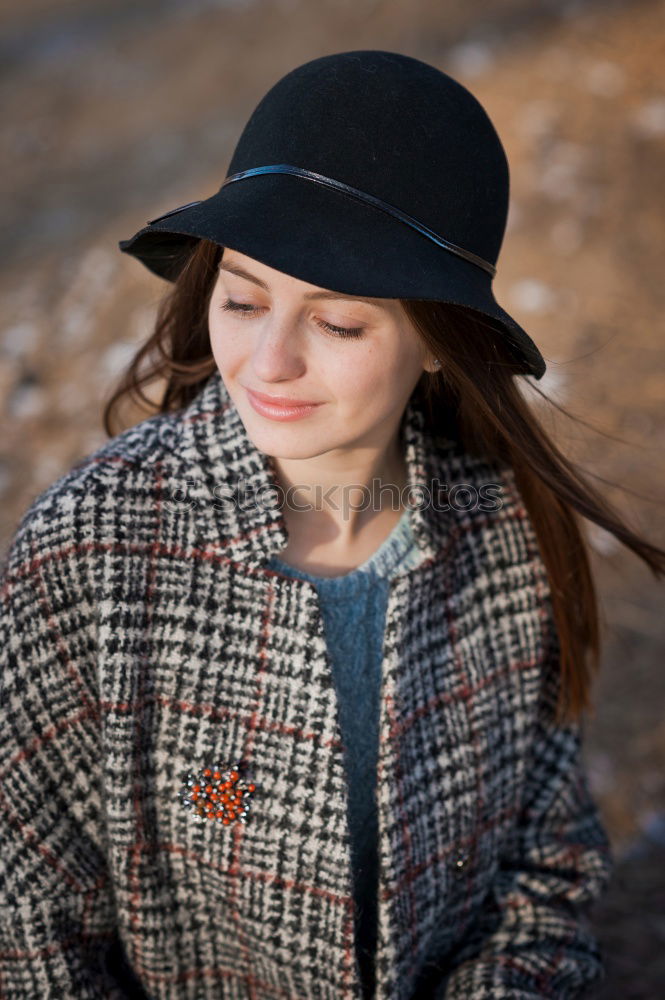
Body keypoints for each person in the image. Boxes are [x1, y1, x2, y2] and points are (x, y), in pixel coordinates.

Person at [1, 49, 663, 1000]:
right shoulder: (88, 551)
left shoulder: (508, 540)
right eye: (241, 298)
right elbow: (29, 924)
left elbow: (543, 881)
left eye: (337, 323)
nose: (267, 362)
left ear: (437, 340)